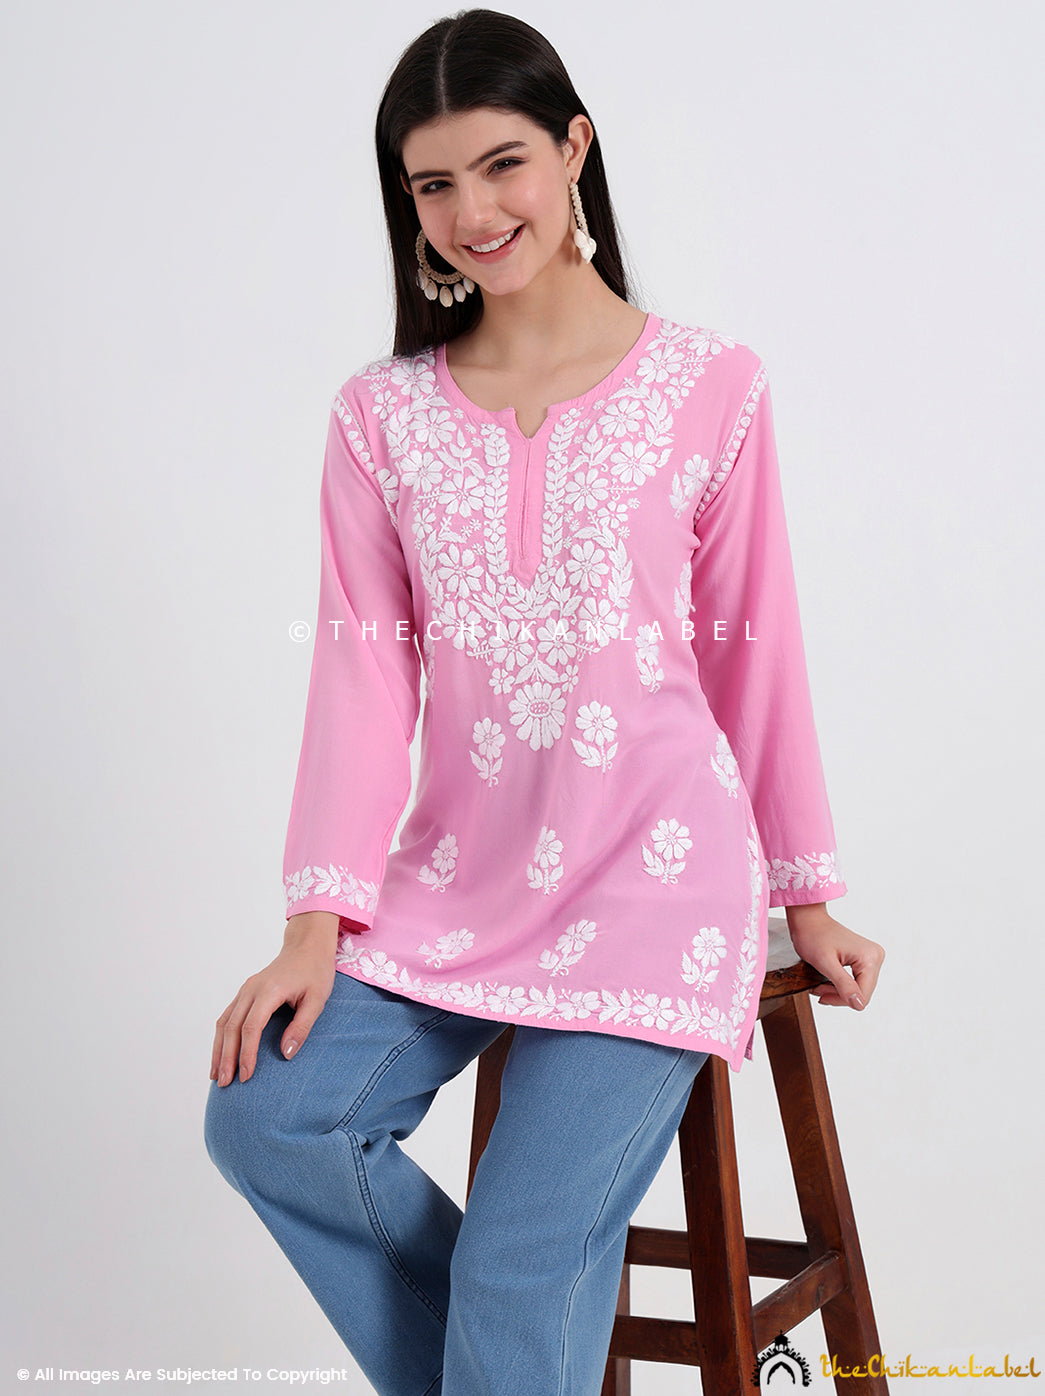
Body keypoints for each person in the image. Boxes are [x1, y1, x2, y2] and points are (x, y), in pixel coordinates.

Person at [204, 10, 885, 1395]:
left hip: (652, 888)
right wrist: (313, 924)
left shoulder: (708, 387)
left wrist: (804, 894)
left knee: (522, 1264)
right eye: (433, 183)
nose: (473, 212)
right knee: (268, 1120)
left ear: (575, 148)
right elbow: (361, 674)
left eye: (502, 163)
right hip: (454, 885)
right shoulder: (381, 418)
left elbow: (755, 654)